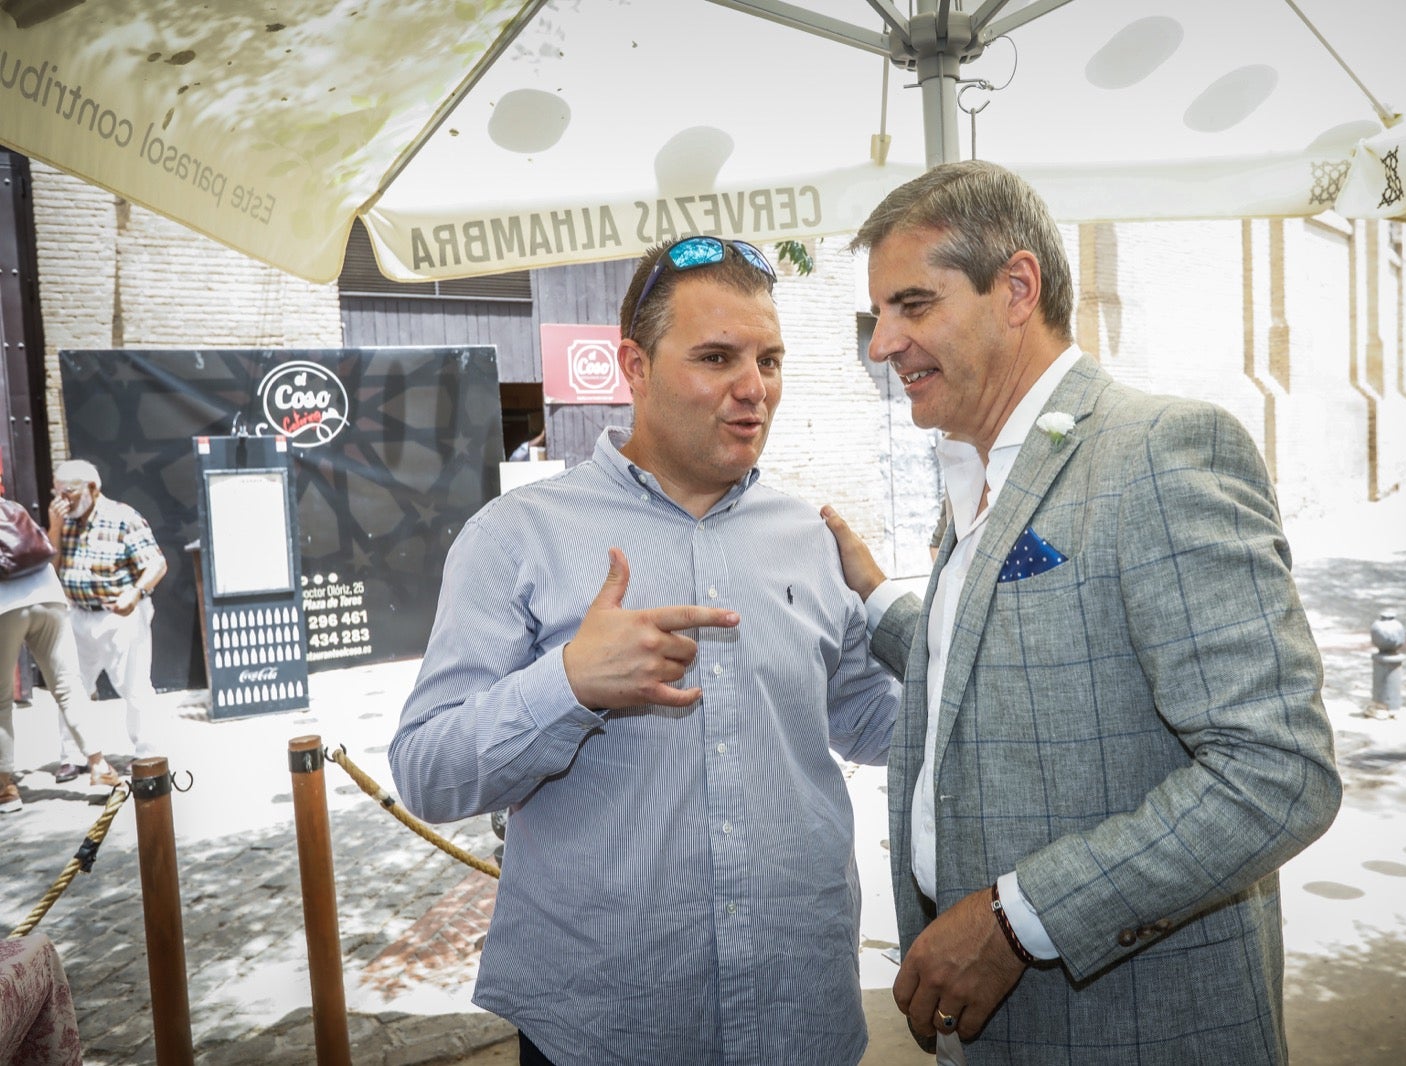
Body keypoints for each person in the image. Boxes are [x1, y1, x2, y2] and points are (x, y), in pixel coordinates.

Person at [821, 161, 1342, 1065]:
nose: (882, 344)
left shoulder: (1159, 451)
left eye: (913, 305)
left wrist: (1016, 920)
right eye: (879, 315)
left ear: (1017, 289)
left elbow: (1278, 774)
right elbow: (1009, 660)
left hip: (1135, 1034)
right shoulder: (978, 470)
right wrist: (874, 598)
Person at [390, 236, 899, 1066]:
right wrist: (568, 683)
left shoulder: (811, 538)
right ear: (635, 365)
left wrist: (931, 621)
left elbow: (872, 721)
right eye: (716, 357)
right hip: (603, 1024)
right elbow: (427, 772)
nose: (754, 388)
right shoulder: (517, 536)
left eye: (769, 360)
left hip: (797, 1008)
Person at [0, 496, 122, 813]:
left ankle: (5, 788)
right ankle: (99, 766)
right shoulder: (15, 508)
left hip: (4, 606)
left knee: (0, 701)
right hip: (48, 594)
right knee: (69, 685)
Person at [46, 459, 167, 774]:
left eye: (68, 492)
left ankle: (147, 754)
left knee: (134, 685)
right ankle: (73, 755)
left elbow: (156, 564)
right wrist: (54, 528)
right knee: (72, 686)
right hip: (77, 612)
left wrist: (136, 592)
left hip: (119, 614)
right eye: (56, 493)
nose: (62, 500)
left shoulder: (123, 517)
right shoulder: (64, 520)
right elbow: (50, 568)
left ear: (92, 488)